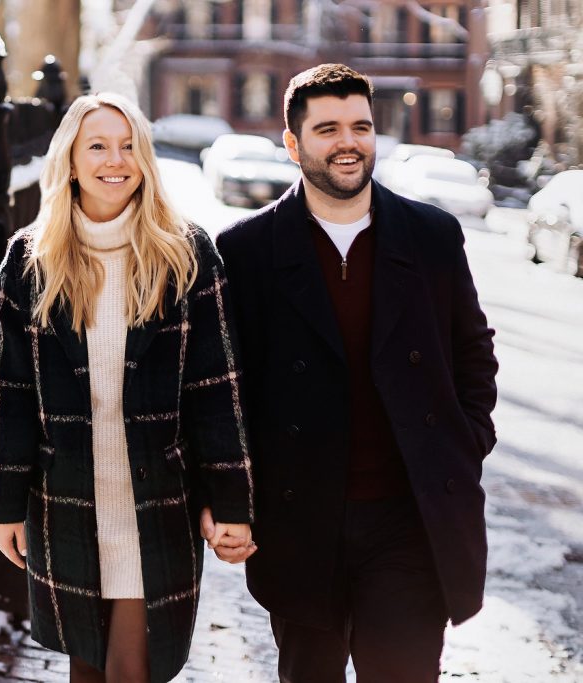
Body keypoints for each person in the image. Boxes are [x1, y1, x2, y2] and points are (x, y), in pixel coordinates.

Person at [211, 64, 498, 682]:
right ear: (293, 143)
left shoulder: (431, 236)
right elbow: (221, 391)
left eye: (362, 126)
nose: (350, 142)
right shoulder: (245, 251)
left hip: (410, 519)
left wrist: (465, 444)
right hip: (298, 519)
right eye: (328, 128)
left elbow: (474, 353)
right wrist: (225, 498)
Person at [0, 92, 256, 683]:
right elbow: (13, 391)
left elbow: (216, 388)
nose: (117, 159)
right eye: (99, 145)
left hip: (157, 499)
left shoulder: (185, 254)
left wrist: (231, 501)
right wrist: (5, 504)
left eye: (129, 145)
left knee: (134, 665)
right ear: (72, 161)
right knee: (88, 663)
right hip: (67, 497)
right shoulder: (31, 262)